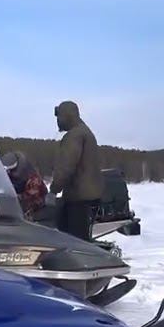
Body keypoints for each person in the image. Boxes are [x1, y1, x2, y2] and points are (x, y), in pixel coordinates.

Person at [49, 101, 103, 240]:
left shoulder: (74, 136)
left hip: (79, 199)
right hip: (88, 197)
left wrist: (53, 191)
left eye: (59, 117)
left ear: (67, 116)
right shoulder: (85, 131)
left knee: (74, 243)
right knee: (80, 240)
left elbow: (66, 167)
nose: (58, 121)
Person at [1, 150, 48, 217]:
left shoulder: (33, 180)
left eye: (9, 170)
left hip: (34, 215)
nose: (7, 173)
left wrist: (15, 199)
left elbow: (33, 200)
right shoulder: (9, 176)